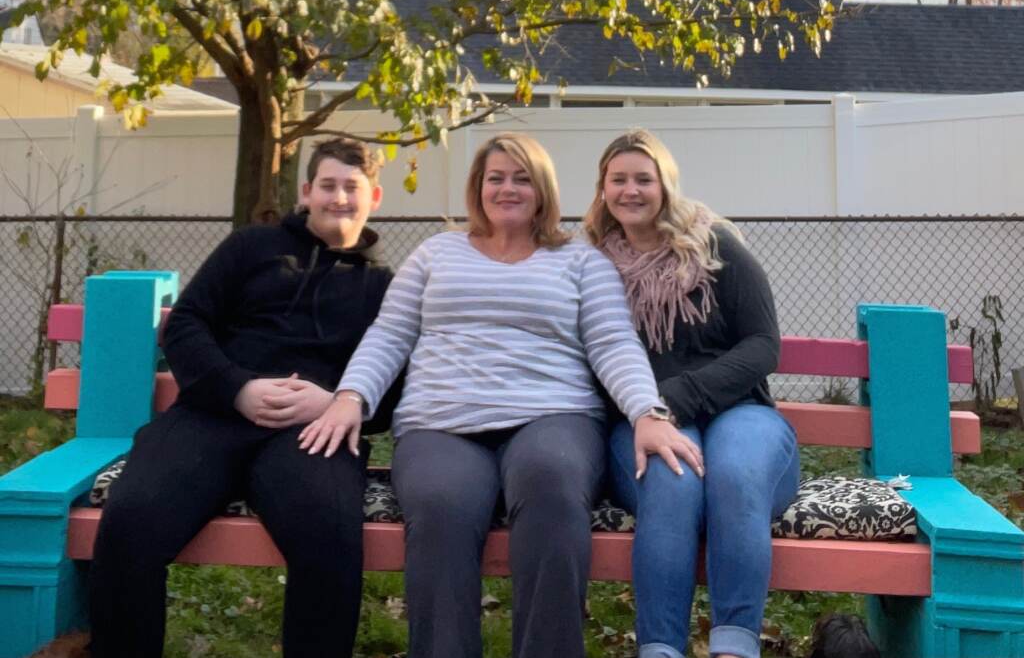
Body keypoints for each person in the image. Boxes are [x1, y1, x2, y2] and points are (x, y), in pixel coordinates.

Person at [300, 131, 700, 658]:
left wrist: (647, 413)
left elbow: (612, 342)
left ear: (542, 190)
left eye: (521, 178)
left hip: (552, 417)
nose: (507, 189)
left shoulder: (581, 261)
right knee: (441, 505)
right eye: (496, 178)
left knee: (551, 482)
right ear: (478, 188)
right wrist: (350, 396)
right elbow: (390, 333)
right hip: (440, 423)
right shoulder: (434, 254)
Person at [89, 137, 397, 658]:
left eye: (352, 187)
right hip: (213, 415)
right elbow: (187, 325)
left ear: (375, 197)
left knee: (329, 535)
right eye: (328, 186)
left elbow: (394, 380)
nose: (339, 198)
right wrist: (238, 388)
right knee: (131, 519)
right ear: (306, 191)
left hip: (311, 432)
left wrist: (333, 402)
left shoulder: (383, 287)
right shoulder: (250, 249)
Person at [584, 129, 800, 658]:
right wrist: (649, 410)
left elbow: (763, 345)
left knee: (734, 474)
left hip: (740, 412)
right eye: (619, 180)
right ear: (602, 189)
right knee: (671, 481)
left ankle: (734, 646)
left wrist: (677, 396)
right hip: (639, 423)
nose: (631, 191)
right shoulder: (589, 264)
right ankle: (660, 649)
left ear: (666, 185)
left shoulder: (714, 245)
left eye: (644, 178)